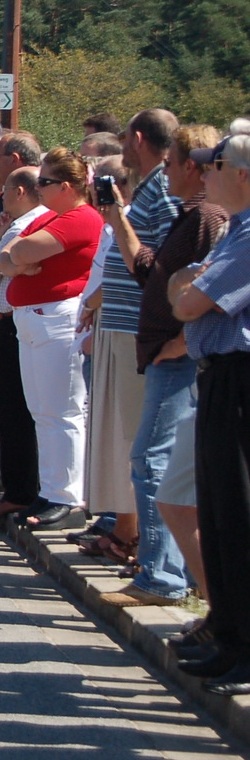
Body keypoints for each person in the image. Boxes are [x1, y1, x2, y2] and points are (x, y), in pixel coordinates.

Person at [101, 123, 229, 607]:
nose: (165, 174)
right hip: (162, 352)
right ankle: (165, 574)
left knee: (153, 459)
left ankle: (162, 577)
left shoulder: (206, 217)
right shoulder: (190, 214)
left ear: (193, 167)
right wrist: (118, 220)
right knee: (155, 460)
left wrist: (180, 337)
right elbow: (150, 271)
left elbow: (212, 288)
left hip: (177, 357)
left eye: (172, 165)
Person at [168, 123, 250, 694]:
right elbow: (182, 291)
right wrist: (186, 287)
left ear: (242, 174)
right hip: (219, 377)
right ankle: (228, 635)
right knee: (219, 515)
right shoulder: (236, 230)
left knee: (237, 516)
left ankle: (243, 643)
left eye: (214, 164)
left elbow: (191, 301)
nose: (204, 172)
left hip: (240, 379)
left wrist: (187, 288)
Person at [86, 109, 181, 574]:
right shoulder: (154, 185)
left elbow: (154, 264)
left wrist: (118, 219)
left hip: (140, 331)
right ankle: (135, 537)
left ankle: (154, 554)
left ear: (138, 139)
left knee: (144, 448)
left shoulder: (162, 190)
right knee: (132, 442)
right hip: (125, 328)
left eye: (125, 139)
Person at [0, 148, 104, 530]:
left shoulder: (80, 218)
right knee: (42, 410)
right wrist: (18, 261)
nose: (38, 188)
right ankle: (52, 487)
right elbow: (5, 259)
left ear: (67, 186)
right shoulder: (49, 218)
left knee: (63, 410)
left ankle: (67, 496)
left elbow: (18, 253)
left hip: (59, 320)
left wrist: (19, 260)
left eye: (45, 182)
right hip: (34, 320)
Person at [0, 166, 47, 520]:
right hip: (15, 323)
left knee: (12, 411)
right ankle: (21, 487)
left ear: (19, 191)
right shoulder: (24, 224)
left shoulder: (23, 226)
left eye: (5, 190)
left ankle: (18, 491)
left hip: (11, 325)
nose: (0, 198)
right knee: (16, 410)